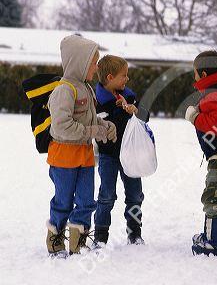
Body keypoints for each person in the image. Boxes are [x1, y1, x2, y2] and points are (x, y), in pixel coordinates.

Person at [45, 35, 116, 257]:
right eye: (93, 63)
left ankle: (79, 243)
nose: (96, 68)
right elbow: (61, 127)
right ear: (79, 62)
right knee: (63, 201)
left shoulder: (87, 88)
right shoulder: (64, 91)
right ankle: (55, 239)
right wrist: (92, 131)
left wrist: (105, 126)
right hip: (64, 156)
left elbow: (90, 121)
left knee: (86, 201)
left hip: (84, 156)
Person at [185, 50, 217, 256]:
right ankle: (212, 237)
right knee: (214, 196)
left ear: (204, 75)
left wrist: (195, 117)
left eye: (196, 74)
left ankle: (216, 242)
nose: (194, 78)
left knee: (212, 198)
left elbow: (216, 124)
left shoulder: (216, 94)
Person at [93, 55, 145, 247]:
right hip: (108, 155)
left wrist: (133, 109)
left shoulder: (129, 96)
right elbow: (98, 124)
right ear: (109, 77)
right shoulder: (97, 100)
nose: (127, 79)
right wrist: (114, 112)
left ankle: (135, 233)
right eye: (124, 75)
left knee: (135, 195)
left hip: (130, 154)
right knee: (106, 195)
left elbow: (143, 119)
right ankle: (100, 235)